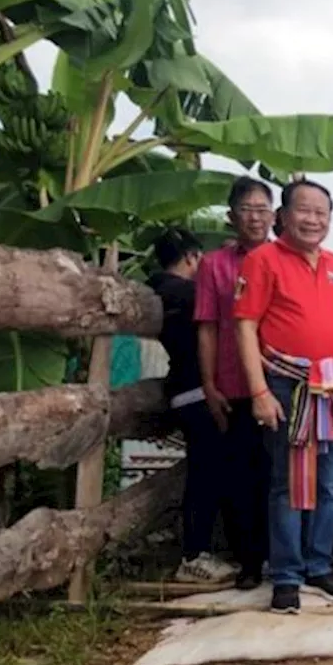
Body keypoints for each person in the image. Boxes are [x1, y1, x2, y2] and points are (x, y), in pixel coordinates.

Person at [234, 179, 333, 615]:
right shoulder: (263, 260)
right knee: (289, 485)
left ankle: (318, 564)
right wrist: (258, 390)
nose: (313, 220)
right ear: (284, 216)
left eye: (321, 213)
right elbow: (245, 325)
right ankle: (287, 575)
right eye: (304, 210)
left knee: (331, 483)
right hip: (288, 384)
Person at [194, 176, 274, 589]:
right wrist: (209, 384)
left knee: (281, 477)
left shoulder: (288, 260)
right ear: (231, 216)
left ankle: (285, 558)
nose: (255, 217)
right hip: (235, 385)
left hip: (283, 387)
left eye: (263, 209)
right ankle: (248, 561)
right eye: (247, 209)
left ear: (274, 215)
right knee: (241, 477)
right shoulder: (215, 265)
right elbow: (207, 327)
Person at [149, 228, 238, 584]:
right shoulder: (190, 293)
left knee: (210, 472)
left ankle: (207, 549)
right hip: (203, 391)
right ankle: (195, 554)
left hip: (186, 390)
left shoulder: (156, 291)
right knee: (207, 475)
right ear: (191, 257)